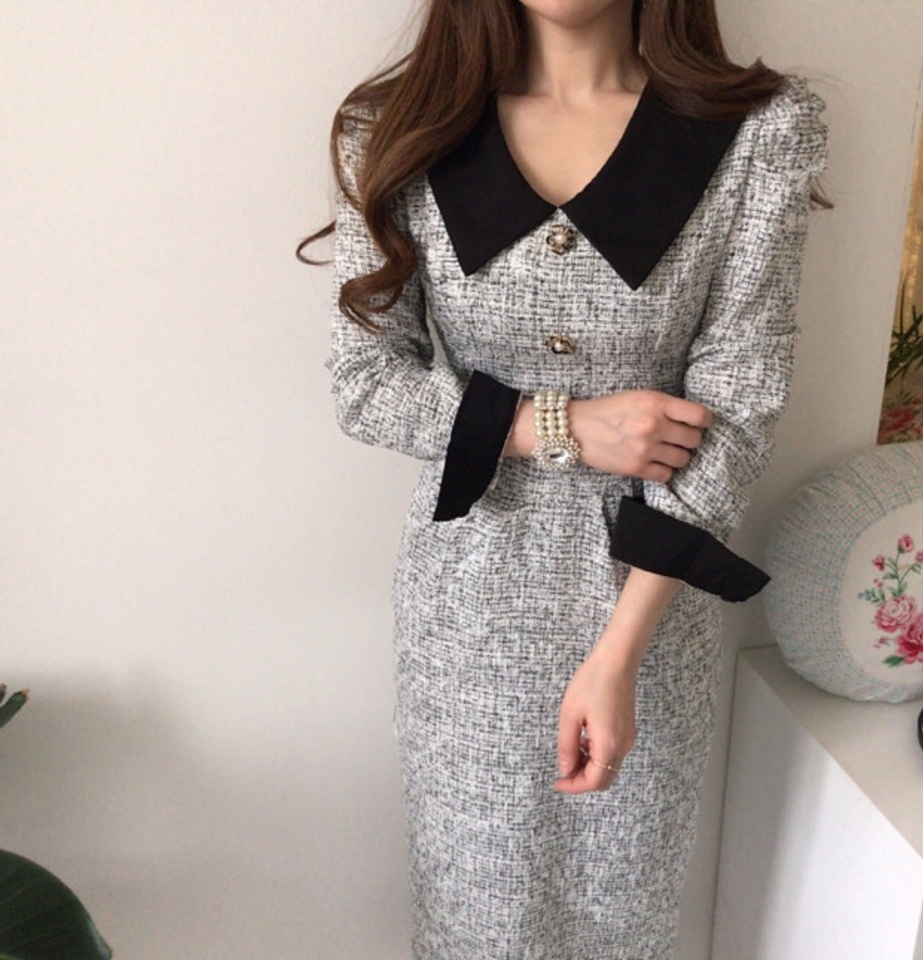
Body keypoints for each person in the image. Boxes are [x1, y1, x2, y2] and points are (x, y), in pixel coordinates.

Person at [304, 1, 827, 956]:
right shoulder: (391, 131)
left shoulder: (758, 132)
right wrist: (561, 427)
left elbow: (740, 405)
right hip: (467, 611)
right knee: (476, 920)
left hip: (652, 614)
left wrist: (619, 653)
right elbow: (366, 384)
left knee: (618, 918)